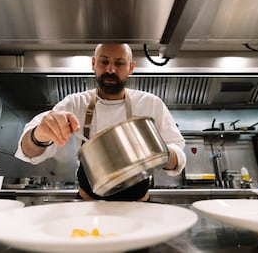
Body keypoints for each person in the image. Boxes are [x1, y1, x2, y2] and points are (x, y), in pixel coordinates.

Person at [15, 43, 186, 201]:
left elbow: (177, 152)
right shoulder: (74, 103)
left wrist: (159, 153)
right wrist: (39, 135)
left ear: (131, 67)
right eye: (104, 62)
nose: (110, 70)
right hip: (88, 206)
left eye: (119, 63)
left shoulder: (150, 103)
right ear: (93, 63)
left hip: (139, 205)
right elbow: (28, 150)